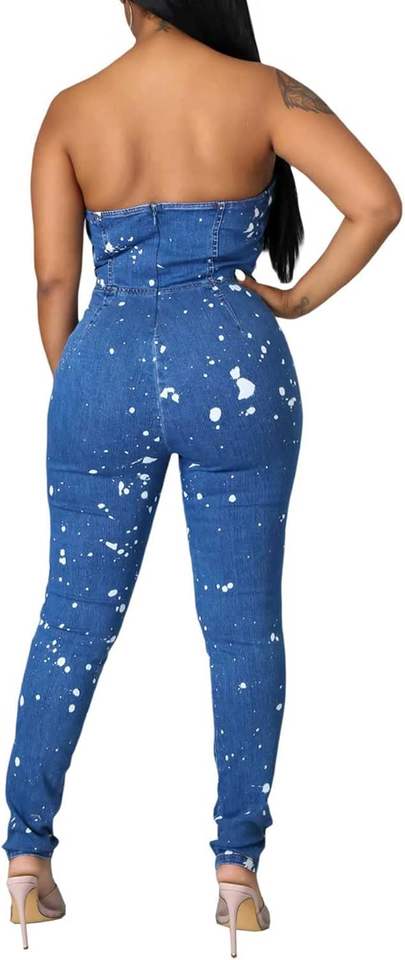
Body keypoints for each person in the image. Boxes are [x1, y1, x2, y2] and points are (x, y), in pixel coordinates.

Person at [3, 0, 402, 953]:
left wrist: (88, 392)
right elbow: (377, 203)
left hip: (103, 368)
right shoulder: (260, 91)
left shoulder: (71, 108)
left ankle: (25, 860)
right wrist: (295, 299)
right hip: (236, 362)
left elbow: (55, 284)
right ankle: (236, 875)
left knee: (72, 616)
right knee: (241, 622)